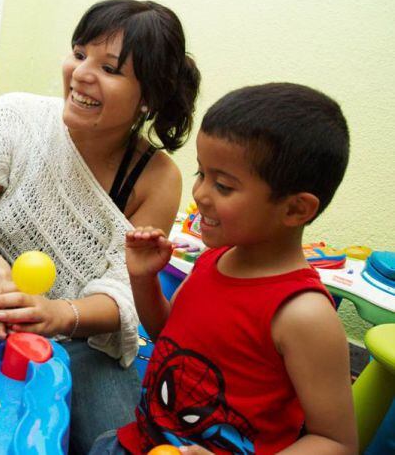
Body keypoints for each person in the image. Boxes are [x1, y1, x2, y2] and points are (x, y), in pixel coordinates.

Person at [0, 0, 201, 454]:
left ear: (149, 97)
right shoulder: (15, 120)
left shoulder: (157, 179)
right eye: (79, 53)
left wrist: (60, 315)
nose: (82, 73)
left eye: (110, 68)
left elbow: (125, 293)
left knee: (119, 445)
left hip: (83, 342)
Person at [92, 83, 357, 454]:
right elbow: (167, 335)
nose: (200, 193)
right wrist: (143, 278)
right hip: (137, 442)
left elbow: (335, 442)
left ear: (296, 209)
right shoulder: (214, 260)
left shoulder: (304, 314)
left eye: (223, 186)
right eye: (202, 174)